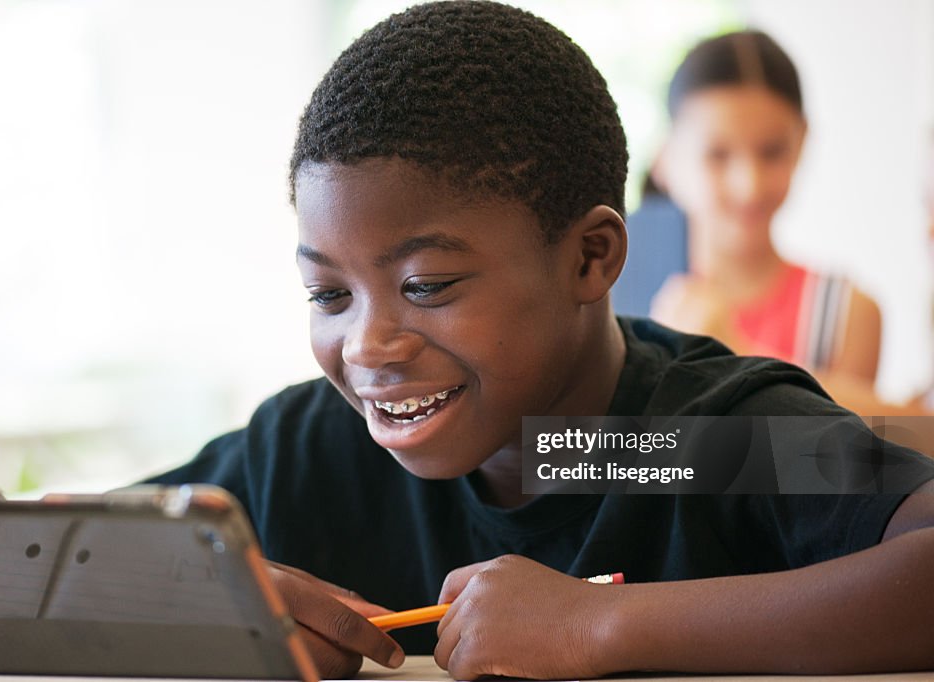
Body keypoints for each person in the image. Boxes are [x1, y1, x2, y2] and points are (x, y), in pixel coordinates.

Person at [146, 3, 934, 679]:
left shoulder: (680, 443)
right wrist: (203, 601)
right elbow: (36, 555)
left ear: (590, 258)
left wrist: (601, 624)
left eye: (425, 286)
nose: (367, 346)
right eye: (329, 295)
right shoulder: (312, 449)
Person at [647, 31, 882, 392]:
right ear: (669, 157)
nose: (749, 186)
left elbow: (850, 442)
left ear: (802, 141)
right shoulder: (609, 301)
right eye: (718, 155)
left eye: (771, 151)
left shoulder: (843, 312)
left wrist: (734, 355)